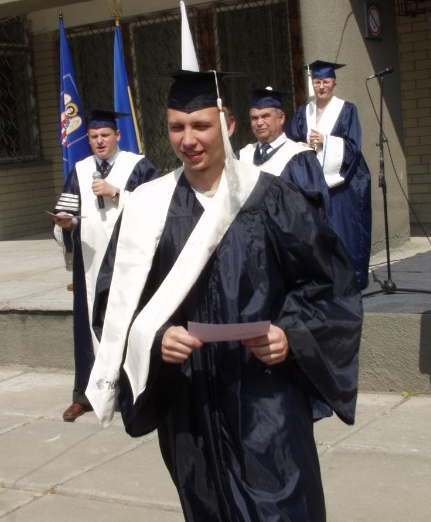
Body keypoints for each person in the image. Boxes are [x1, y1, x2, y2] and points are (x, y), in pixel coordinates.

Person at [86, 71, 362, 521]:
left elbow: (329, 285)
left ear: (228, 125)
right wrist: (157, 337)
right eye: (177, 127)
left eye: (201, 125)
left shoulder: (271, 199)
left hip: (265, 398)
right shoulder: (148, 207)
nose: (188, 139)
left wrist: (291, 334)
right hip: (189, 403)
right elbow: (113, 303)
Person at [52, 109, 157, 422]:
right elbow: (67, 212)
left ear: (117, 136)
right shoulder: (80, 170)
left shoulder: (137, 165)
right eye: (94, 136)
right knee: (88, 327)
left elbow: (157, 206)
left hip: (128, 260)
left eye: (105, 135)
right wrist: (65, 223)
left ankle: (132, 393)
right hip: (91, 260)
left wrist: (117, 193)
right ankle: (85, 395)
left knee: (127, 323)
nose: (99, 141)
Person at [286, 60, 372, 290]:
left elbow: (353, 145)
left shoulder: (347, 109)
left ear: (334, 83)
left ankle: (350, 282)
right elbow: (293, 139)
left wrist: (326, 141)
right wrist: (304, 145)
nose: (321, 86)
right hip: (312, 181)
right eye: (317, 82)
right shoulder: (304, 111)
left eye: (325, 81)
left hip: (343, 182)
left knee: (345, 231)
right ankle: (323, 282)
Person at [238, 86, 329, 218]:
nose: (259, 122)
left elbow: (313, 211)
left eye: (265, 116)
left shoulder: (300, 157)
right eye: (254, 118)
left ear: (281, 118)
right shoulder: (242, 156)